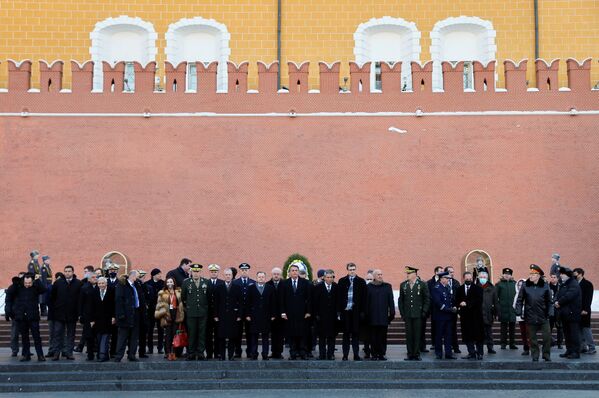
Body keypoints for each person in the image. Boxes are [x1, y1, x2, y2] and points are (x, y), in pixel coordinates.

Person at [515, 264, 553, 362]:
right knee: (532, 339)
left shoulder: (545, 286)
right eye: (530, 274)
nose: (530, 276)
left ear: (538, 275)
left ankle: (546, 354)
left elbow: (549, 301)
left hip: (543, 317)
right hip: (530, 316)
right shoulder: (525, 285)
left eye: (533, 274)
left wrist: (550, 312)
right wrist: (518, 311)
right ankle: (535, 355)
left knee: (547, 337)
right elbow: (520, 299)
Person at [6, 273, 47, 361]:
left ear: (32, 281)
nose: (27, 285)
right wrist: (16, 282)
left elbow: (44, 290)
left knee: (37, 337)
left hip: (33, 316)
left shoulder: (36, 287)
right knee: (24, 337)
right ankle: (26, 355)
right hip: (22, 316)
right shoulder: (19, 287)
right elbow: (10, 292)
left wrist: (38, 280)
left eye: (29, 283)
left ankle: (40, 355)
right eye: (26, 283)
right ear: (23, 281)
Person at [280, 261, 312, 360]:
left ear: (298, 272)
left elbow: (309, 298)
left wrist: (308, 311)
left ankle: (303, 352)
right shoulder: (284, 283)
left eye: (296, 270)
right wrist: (283, 312)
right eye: (292, 271)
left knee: (302, 333)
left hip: (302, 314)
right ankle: (293, 353)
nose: (294, 272)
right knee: (292, 334)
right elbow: (281, 299)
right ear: (289, 272)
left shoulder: (305, 283)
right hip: (289, 314)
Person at [398, 266, 430, 361]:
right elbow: (401, 300)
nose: (407, 275)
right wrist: (402, 312)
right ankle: (410, 353)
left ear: (415, 274)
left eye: (409, 273)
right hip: (408, 314)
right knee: (409, 335)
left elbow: (427, 299)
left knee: (417, 334)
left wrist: (424, 311)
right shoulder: (403, 285)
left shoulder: (422, 284)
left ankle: (416, 353)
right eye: (407, 273)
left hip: (418, 314)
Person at [50, 265, 81, 360]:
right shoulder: (58, 283)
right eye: (66, 271)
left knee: (71, 334)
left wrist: (79, 312)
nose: (67, 273)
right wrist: (55, 309)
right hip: (59, 313)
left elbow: (80, 299)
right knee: (57, 334)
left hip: (72, 313)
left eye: (69, 271)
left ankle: (69, 353)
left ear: (73, 272)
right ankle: (56, 353)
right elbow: (52, 297)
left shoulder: (78, 283)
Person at [337, 262, 366, 361]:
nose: (352, 271)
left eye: (353, 269)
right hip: (346, 313)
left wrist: (362, 312)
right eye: (350, 269)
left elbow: (364, 298)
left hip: (356, 313)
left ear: (355, 269)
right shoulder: (342, 281)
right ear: (347, 270)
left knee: (355, 334)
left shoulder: (361, 281)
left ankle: (356, 354)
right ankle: (345, 355)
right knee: (345, 335)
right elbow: (339, 298)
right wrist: (339, 312)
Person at [181, 263, 210, 360]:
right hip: (191, 313)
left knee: (202, 333)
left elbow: (209, 297)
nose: (196, 273)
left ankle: (201, 352)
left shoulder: (206, 282)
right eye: (194, 271)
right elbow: (183, 297)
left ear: (200, 272)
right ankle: (191, 353)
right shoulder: (186, 282)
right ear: (191, 272)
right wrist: (188, 308)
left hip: (203, 313)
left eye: (197, 272)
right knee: (191, 333)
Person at [246, 271, 276, 360]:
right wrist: (247, 314)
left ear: (265, 278)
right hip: (254, 316)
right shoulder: (251, 288)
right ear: (257, 278)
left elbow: (273, 302)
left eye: (263, 277)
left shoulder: (270, 288)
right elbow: (247, 302)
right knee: (254, 336)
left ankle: (265, 354)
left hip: (266, 316)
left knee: (265, 337)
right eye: (259, 277)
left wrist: (273, 314)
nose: (261, 278)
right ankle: (254, 353)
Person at [213, 268, 242, 360]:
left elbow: (241, 303)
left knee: (232, 337)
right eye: (226, 275)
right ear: (224, 276)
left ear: (232, 276)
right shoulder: (219, 287)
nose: (228, 276)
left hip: (233, 316)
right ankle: (222, 355)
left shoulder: (237, 287)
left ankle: (230, 355)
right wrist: (215, 315)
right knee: (221, 337)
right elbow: (215, 303)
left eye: (229, 275)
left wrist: (239, 315)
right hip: (221, 316)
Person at [365, 269, 394, 361]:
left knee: (382, 337)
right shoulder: (369, 287)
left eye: (381, 274)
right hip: (372, 318)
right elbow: (366, 303)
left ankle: (381, 354)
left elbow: (391, 302)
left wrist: (391, 315)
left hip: (383, 318)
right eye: (378, 275)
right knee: (373, 337)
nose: (380, 276)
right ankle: (373, 354)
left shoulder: (387, 286)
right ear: (374, 276)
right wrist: (366, 315)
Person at [114, 270, 142, 362]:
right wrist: (121, 314)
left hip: (136, 313)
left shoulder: (137, 285)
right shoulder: (122, 285)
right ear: (132, 276)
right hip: (125, 315)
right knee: (123, 336)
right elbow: (119, 300)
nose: (138, 278)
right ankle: (119, 356)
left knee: (134, 336)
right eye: (137, 276)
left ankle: (132, 355)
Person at [154, 277, 184, 361]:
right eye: (168, 282)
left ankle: (174, 352)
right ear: (166, 283)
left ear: (174, 283)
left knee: (175, 334)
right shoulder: (162, 292)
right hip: (167, 314)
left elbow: (182, 303)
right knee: (168, 335)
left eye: (171, 282)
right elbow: (159, 305)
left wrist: (181, 311)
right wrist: (164, 313)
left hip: (176, 314)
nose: (169, 283)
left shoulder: (178, 291)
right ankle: (167, 353)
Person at [456, 271, 484, 360]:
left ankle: (480, 353)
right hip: (465, 317)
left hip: (476, 316)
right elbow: (457, 300)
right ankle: (471, 352)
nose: (468, 280)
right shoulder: (459, 289)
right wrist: (459, 304)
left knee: (478, 336)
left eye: (470, 278)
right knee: (467, 336)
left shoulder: (478, 288)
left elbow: (479, 300)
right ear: (464, 278)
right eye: (467, 278)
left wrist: (467, 303)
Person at [555, 267, 582, 359]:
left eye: (562, 274)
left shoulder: (573, 284)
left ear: (568, 275)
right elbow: (559, 294)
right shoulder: (564, 284)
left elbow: (569, 295)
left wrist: (559, 302)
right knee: (567, 333)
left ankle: (575, 352)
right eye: (560, 274)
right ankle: (569, 350)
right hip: (565, 313)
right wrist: (556, 301)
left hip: (572, 313)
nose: (561, 275)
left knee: (574, 334)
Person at [312, 269, 339, 360]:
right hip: (321, 317)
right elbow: (315, 302)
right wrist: (316, 314)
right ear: (324, 278)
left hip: (332, 317)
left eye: (331, 277)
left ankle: (330, 354)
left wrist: (338, 314)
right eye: (327, 277)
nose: (329, 279)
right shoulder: (318, 287)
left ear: (333, 278)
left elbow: (338, 302)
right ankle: (322, 354)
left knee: (331, 337)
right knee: (322, 337)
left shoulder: (336, 287)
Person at [430, 271, 457, 360]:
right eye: (446, 278)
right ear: (442, 279)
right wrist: (448, 309)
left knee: (448, 335)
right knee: (439, 335)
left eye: (448, 279)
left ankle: (448, 353)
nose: (448, 280)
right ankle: (439, 353)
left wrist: (453, 307)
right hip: (440, 316)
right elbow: (438, 302)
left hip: (448, 317)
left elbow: (450, 300)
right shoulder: (436, 288)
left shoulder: (446, 288)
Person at [232, 263, 255, 358]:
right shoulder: (235, 282)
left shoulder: (253, 282)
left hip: (250, 312)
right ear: (240, 271)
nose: (244, 271)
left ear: (248, 271)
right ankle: (238, 351)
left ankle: (250, 351)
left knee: (250, 332)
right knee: (237, 333)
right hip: (238, 312)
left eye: (246, 270)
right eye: (242, 270)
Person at [91, 277, 115, 362]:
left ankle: (102, 355)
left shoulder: (112, 291)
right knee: (99, 337)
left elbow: (114, 305)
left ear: (106, 283)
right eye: (99, 283)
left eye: (102, 283)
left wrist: (114, 316)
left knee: (105, 337)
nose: (101, 285)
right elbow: (92, 306)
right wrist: (92, 319)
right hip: (98, 320)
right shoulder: (95, 292)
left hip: (108, 319)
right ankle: (103, 355)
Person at [573, 268, 596, 354]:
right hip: (576, 310)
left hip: (584, 310)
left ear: (580, 274)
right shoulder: (575, 283)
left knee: (586, 329)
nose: (574, 275)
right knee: (579, 328)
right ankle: (583, 347)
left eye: (575, 273)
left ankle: (592, 347)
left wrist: (585, 309)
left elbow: (588, 298)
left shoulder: (587, 284)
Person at [496, 267, 518, 350]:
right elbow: (496, 297)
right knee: (503, 328)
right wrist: (498, 309)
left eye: (508, 274)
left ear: (511, 275)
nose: (507, 275)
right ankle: (503, 344)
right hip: (503, 309)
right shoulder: (499, 284)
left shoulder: (515, 284)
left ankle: (512, 343)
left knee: (513, 328)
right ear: (503, 275)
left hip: (512, 310)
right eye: (505, 274)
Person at [78, 272, 98, 360]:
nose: (95, 279)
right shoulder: (84, 288)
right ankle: (90, 355)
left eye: (96, 277)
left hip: (98, 316)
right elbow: (80, 303)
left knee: (98, 335)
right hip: (88, 317)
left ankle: (99, 353)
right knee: (89, 336)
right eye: (93, 277)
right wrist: (80, 315)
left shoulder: (99, 287)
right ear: (89, 279)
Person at [478, 269, 499, 354]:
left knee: (489, 332)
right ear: (478, 278)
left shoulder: (492, 288)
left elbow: (496, 302)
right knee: (479, 333)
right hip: (478, 314)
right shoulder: (475, 287)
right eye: (481, 277)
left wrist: (497, 313)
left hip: (488, 313)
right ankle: (479, 349)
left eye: (484, 277)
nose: (483, 278)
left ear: (487, 278)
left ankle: (490, 348)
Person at [424, 266, 444, 352]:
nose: (442, 272)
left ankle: (441, 343)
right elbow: (428, 295)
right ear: (436, 272)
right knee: (434, 325)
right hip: (433, 308)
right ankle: (434, 343)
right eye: (440, 271)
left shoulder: (443, 281)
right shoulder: (429, 282)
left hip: (443, 307)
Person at [266, 267, 284, 359]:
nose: (276, 275)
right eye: (274, 274)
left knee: (280, 335)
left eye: (278, 274)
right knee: (273, 335)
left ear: (280, 275)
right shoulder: (267, 284)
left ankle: (279, 352)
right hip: (271, 315)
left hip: (282, 315)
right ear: (272, 275)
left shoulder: (284, 284)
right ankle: (273, 352)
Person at [206, 264, 224, 359]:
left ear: (218, 272)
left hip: (219, 313)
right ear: (210, 272)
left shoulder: (222, 283)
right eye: (212, 272)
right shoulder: (206, 283)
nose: (214, 273)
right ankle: (209, 353)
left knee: (218, 334)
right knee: (208, 334)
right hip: (208, 313)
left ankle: (218, 352)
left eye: (215, 272)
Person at [145, 268, 164, 355]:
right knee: (150, 330)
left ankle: (160, 348)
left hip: (160, 310)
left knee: (161, 330)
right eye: (158, 274)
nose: (160, 275)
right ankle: (150, 348)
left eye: (160, 274)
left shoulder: (163, 283)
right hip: (150, 311)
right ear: (154, 275)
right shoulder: (147, 284)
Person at [5, 273, 24, 357]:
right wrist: (8, 312)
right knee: (15, 333)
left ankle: (25, 350)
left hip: (25, 314)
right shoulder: (12, 288)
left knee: (25, 334)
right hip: (15, 314)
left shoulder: (27, 287)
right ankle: (14, 350)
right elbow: (8, 301)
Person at [444, 266, 461, 354]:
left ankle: (456, 347)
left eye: (453, 272)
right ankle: (448, 347)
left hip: (454, 310)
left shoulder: (456, 283)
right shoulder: (443, 282)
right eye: (450, 272)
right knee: (446, 329)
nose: (452, 273)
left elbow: (459, 296)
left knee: (453, 329)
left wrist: (457, 307)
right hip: (445, 310)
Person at [135, 270, 150, 358]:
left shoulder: (144, 286)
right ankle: (131, 351)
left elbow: (148, 297)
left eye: (142, 277)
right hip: (136, 313)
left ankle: (142, 352)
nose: (141, 279)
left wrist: (147, 304)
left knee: (143, 334)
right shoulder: (134, 285)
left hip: (144, 313)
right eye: (139, 277)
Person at [514, 278, 530, 355]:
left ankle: (532, 347)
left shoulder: (529, 293)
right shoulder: (517, 294)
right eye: (519, 285)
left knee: (529, 332)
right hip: (520, 317)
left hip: (528, 316)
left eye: (522, 285)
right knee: (523, 333)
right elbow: (514, 305)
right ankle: (526, 348)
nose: (520, 286)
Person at [548, 273, 564, 348]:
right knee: (549, 328)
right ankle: (550, 342)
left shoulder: (561, 287)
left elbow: (564, 296)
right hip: (550, 310)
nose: (553, 278)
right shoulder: (547, 287)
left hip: (558, 310)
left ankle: (559, 343)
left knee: (559, 327)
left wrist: (559, 303)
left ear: (557, 278)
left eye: (554, 277)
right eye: (551, 277)